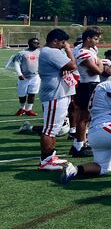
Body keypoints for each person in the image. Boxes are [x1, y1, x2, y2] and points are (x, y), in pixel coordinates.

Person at [37, 28, 78, 170]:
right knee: (50, 129)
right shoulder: (50, 52)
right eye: (62, 42)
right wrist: (68, 50)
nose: (64, 45)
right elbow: (72, 65)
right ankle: (46, 160)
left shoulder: (51, 51)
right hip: (55, 94)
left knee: (54, 127)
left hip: (60, 94)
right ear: (54, 41)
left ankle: (50, 156)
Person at [72, 27, 104, 158]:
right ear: (88, 38)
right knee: (83, 116)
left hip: (91, 84)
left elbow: (95, 69)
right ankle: (79, 145)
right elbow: (97, 70)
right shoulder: (82, 52)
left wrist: (97, 64)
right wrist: (100, 63)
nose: (97, 42)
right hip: (87, 85)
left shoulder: (91, 50)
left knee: (87, 116)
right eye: (95, 39)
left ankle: (79, 142)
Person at [10, 37, 40, 116]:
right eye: (34, 42)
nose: (37, 44)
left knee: (32, 93)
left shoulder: (39, 52)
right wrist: (19, 74)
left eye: (37, 43)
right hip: (24, 77)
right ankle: (21, 108)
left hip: (35, 76)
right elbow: (16, 63)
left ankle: (29, 110)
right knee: (22, 94)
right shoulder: (22, 53)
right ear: (29, 43)